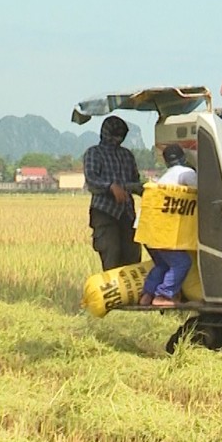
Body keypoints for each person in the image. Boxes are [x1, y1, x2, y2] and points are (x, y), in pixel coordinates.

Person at [83, 115, 144, 271]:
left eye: (121, 135)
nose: (118, 139)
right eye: (115, 134)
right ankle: (113, 293)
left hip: (127, 213)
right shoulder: (94, 153)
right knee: (111, 253)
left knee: (132, 255)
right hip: (104, 212)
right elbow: (91, 180)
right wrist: (111, 187)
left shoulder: (127, 155)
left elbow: (135, 181)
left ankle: (131, 294)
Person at [140, 143, 197, 308]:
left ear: (165, 162)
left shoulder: (164, 177)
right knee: (182, 263)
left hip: (147, 230)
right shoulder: (186, 173)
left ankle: (147, 294)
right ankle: (164, 295)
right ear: (184, 158)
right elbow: (202, 190)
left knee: (163, 264)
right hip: (164, 231)